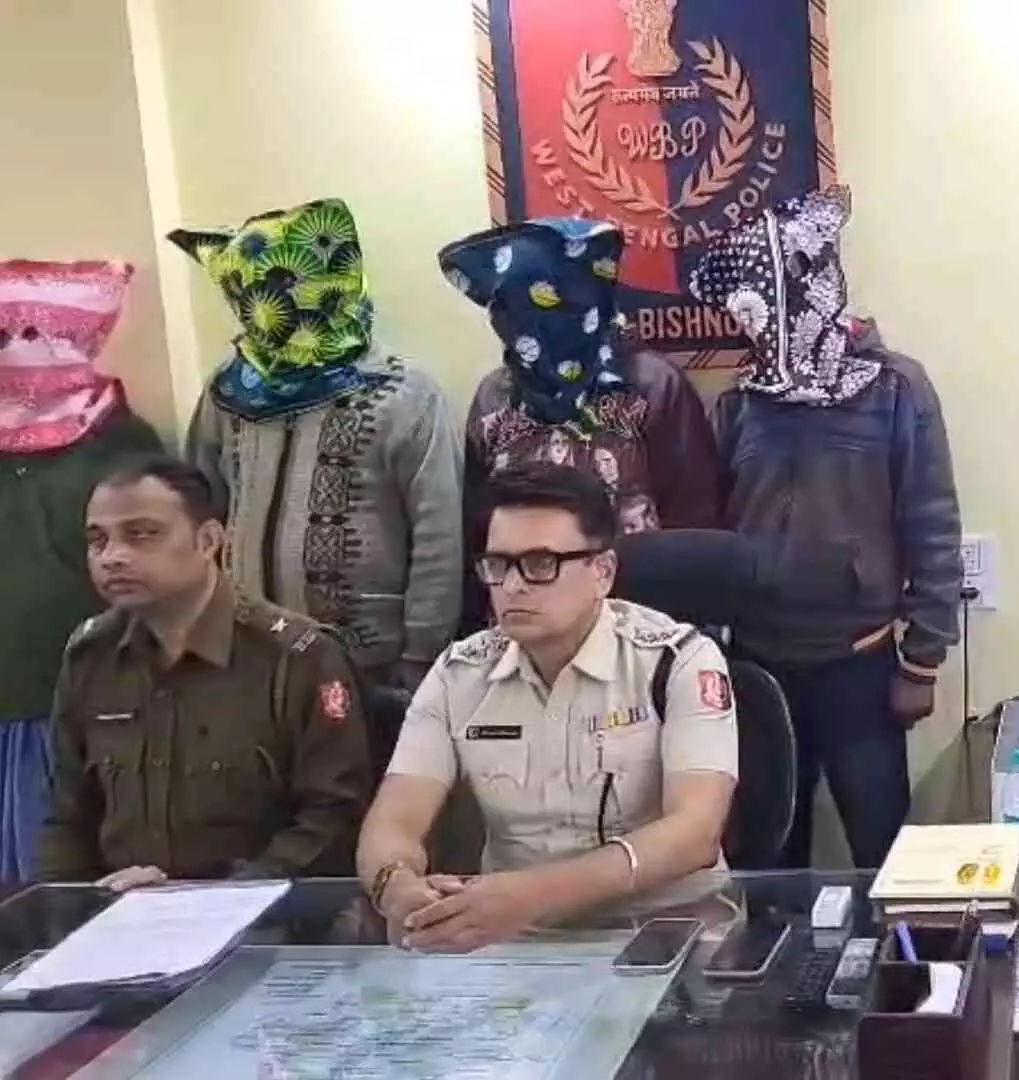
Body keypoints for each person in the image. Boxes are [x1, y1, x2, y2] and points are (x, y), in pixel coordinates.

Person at [687, 185, 963, 870]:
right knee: (767, 855)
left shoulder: (894, 388)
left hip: (860, 666)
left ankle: (895, 952)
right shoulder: (741, 402)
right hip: (759, 666)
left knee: (885, 857)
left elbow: (932, 524)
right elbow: (713, 528)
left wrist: (922, 661)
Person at [356, 463, 738, 953]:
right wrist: (397, 888)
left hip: (669, 930)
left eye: (540, 564)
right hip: (515, 942)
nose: (512, 586)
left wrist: (534, 896)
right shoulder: (459, 673)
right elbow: (394, 819)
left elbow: (695, 833)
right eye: (498, 564)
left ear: (603, 572)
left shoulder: (677, 661)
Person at [172, 199, 464, 749]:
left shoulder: (405, 395)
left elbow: (439, 539)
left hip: (370, 674)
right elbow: (197, 512)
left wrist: (420, 666)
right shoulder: (229, 393)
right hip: (247, 668)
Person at [37, 456, 374, 888]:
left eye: (142, 534)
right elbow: (66, 819)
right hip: (119, 911)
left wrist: (215, 902)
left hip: (263, 913)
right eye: (97, 540)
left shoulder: (297, 658)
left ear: (208, 540)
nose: (112, 557)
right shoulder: (90, 656)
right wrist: (68, 907)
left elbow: (333, 820)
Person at [439, 218, 724, 632]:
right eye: (506, 307)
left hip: (638, 626)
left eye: (536, 304)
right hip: (526, 626)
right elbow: (478, 526)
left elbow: (695, 519)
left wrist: (693, 633)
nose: (520, 322)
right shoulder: (495, 399)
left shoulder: (650, 386)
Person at [0, 259, 164, 880]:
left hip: (95, 695)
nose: (18, 353)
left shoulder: (120, 441)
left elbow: (151, 566)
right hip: (5, 696)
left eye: (38, 334)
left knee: (78, 874)